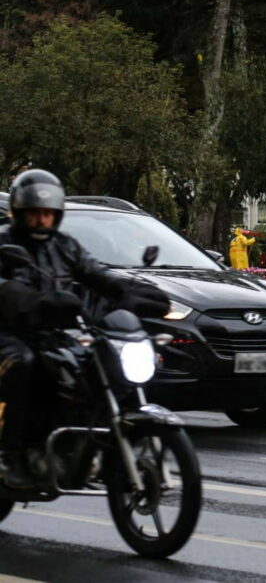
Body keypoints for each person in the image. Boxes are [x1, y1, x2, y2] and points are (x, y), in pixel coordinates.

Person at [0, 170, 170, 489]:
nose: (41, 220)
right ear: (19, 214)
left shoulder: (65, 246)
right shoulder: (4, 244)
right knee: (25, 363)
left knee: (91, 364)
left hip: (54, 333)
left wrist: (132, 294)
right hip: (9, 333)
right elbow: (5, 290)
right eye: (35, 213)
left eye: (48, 214)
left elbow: (96, 274)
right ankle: (12, 454)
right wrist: (27, 300)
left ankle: (91, 443)